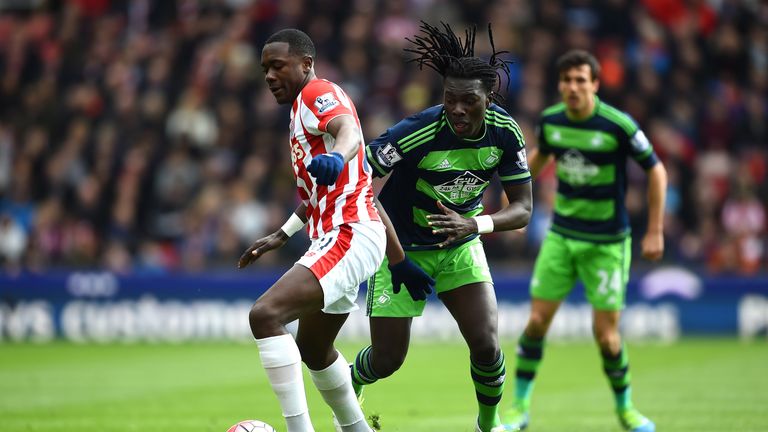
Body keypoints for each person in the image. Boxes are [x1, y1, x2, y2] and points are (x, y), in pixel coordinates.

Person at [349, 22, 532, 432]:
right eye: (450, 99)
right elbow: (359, 185)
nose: (458, 109)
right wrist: (395, 258)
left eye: (469, 101)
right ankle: (351, 378)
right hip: (403, 248)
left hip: (460, 244)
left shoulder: (505, 134)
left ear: (489, 98)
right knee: (388, 360)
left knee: (486, 344)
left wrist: (474, 224)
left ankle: (489, 424)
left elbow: (522, 209)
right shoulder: (417, 132)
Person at [503, 50, 667, 432]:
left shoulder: (617, 125)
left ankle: (626, 409)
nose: (573, 87)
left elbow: (656, 172)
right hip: (561, 236)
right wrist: (514, 198)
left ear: (595, 84)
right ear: (559, 85)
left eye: (581, 80)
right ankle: (519, 409)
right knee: (537, 322)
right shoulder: (551, 121)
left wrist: (655, 230)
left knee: (607, 337)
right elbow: (541, 158)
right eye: (567, 80)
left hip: (607, 242)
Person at [237, 28, 391, 432]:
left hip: (349, 232)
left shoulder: (316, 93)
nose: (269, 75)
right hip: (340, 233)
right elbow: (316, 195)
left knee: (266, 315)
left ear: (305, 64)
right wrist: (283, 234)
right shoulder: (298, 111)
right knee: (314, 348)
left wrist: (339, 157)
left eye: (278, 65)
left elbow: (350, 133)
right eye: (265, 68)